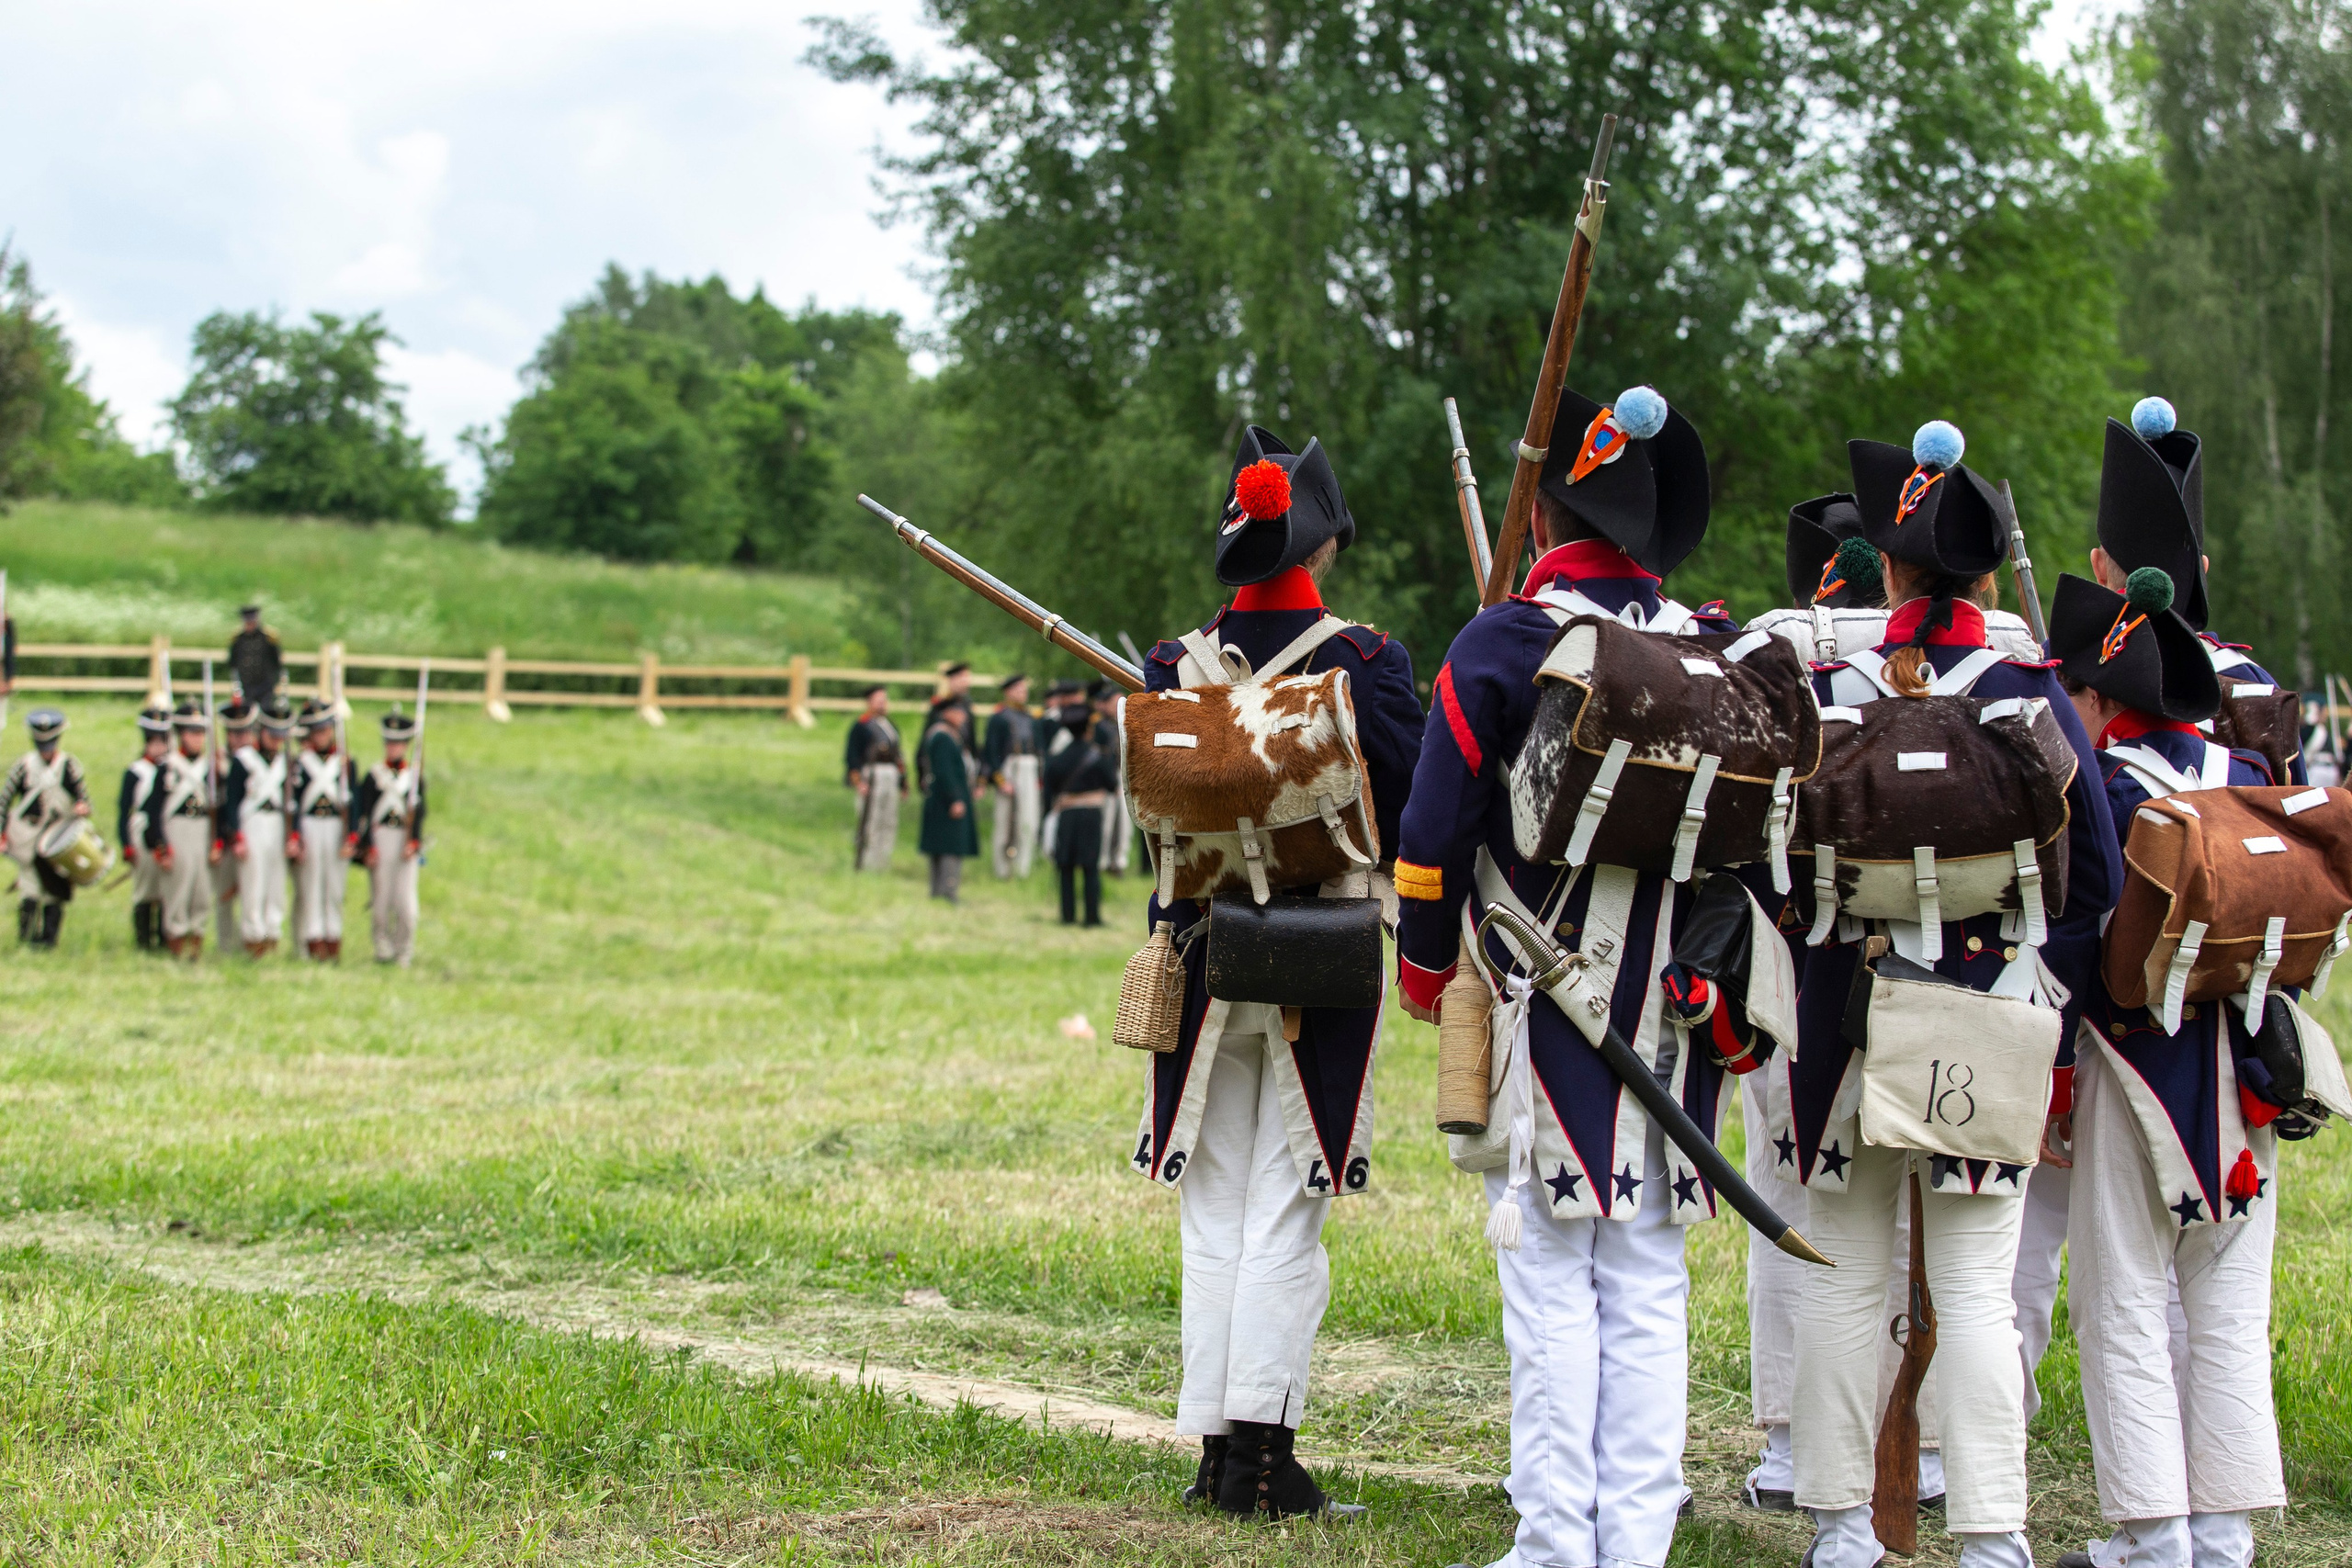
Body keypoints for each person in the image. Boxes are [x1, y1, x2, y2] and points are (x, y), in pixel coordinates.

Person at [1396, 387, 1778, 1568]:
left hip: (1541, 984)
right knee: (1649, 1277)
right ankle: (1635, 1543)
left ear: (1548, 513)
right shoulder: (1717, 649)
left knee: (1552, 1276)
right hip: (1676, 998)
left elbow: (1433, 827)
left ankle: (1558, 1544)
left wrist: (1424, 964)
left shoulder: (1505, 640)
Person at [1780, 423, 2120, 1568]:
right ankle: (1990, 1538)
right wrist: (2039, 1003)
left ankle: (1839, 1530)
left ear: (1888, 569)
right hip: (1989, 1013)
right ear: (1980, 583)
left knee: (1843, 1276)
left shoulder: (1826, 684)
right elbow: (2098, 882)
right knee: (1975, 1291)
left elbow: (1774, 866)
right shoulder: (2030, 688)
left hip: (1845, 1015)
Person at [1138, 423, 1423, 1519]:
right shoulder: (1369, 663)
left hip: (1200, 947)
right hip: (1326, 949)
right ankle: (1261, 1461)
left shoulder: (1170, 665)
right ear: (1325, 543)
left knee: (1214, 1208)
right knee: (1285, 1207)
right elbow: (1408, 807)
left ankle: (1218, 1452)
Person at [2042, 568, 2286, 1568]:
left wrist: (2054, 1072)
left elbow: (2074, 939)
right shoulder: (2246, 772)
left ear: (2106, 697)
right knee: (2228, 1306)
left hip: (2131, 1061)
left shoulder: (2103, 785)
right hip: (2242, 1064)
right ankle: (2223, 1536)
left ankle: (2151, 1537)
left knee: (2125, 1300)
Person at [1, 707, 93, 948]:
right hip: (28, 835)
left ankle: (49, 940)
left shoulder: (69, 766)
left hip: (57, 837)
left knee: (54, 889)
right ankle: (27, 938)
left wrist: (82, 808)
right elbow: (4, 800)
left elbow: (84, 799)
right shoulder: (23, 766)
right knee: (30, 886)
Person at [348, 705, 425, 964]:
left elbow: (420, 814)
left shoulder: (414, 777)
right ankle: (382, 945)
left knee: (406, 904)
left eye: (398, 743)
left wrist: (414, 841)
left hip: (404, 840)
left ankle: (404, 949)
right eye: (390, 743)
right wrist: (367, 846)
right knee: (381, 900)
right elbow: (365, 814)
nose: (393, 748)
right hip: (381, 839)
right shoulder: (373, 776)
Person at [220, 697, 294, 957]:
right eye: (272, 735)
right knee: (254, 882)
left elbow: (291, 802)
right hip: (252, 823)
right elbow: (232, 801)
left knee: (275, 881)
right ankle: (253, 935)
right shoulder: (244, 760)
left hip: (277, 823)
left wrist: (293, 835)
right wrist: (236, 836)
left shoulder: (286, 762)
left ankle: (272, 933)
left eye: (280, 737)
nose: (276, 741)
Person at [147, 699, 218, 960]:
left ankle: (195, 944)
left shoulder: (211, 768)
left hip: (202, 830)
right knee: (178, 890)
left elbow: (218, 809)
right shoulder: (167, 767)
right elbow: (153, 811)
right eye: (192, 733)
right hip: (177, 830)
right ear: (180, 735)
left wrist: (218, 842)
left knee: (201, 892)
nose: (197, 739)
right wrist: (161, 845)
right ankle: (176, 943)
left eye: (200, 733)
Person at [289, 700, 354, 961]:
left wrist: (352, 836)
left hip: (336, 826)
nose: (322, 736)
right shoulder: (301, 763)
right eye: (317, 731)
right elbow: (294, 803)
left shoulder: (344, 763)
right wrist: (296, 836)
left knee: (335, 887)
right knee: (312, 885)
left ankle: (333, 937)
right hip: (311, 825)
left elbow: (354, 804)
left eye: (325, 730)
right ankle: (313, 938)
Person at [1042, 699, 1114, 925]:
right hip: (1091, 815)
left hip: (1067, 815)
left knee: (1065, 866)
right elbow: (1112, 785)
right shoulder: (1098, 756)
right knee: (1090, 867)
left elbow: (1049, 790)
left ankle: (1067, 915)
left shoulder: (1057, 759)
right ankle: (1092, 917)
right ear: (1088, 729)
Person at [119, 705, 173, 952]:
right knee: (145, 888)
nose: (159, 748)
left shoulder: (171, 769)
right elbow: (125, 810)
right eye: (154, 743)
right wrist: (126, 843)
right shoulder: (135, 771)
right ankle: (143, 939)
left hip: (165, 827)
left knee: (165, 888)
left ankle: (163, 937)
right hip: (141, 829)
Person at [983, 673, 1042, 879]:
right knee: (1004, 822)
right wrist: (1000, 780)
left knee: (1028, 821)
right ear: (1008, 692)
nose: (1023, 693)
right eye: (1018, 689)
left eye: (1024, 689)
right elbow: (991, 751)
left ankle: (1022, 868)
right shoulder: (999, 718)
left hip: (1029, 768)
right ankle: (1002, 869)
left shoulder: (1031, 718)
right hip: (1010, 768)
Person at [919, 701, 978, 902]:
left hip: (943, 796)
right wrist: (956, 798)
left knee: (942, 844)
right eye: (959, 712)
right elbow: (945, 770)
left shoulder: (948, 735)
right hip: (947, 797)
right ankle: (947, 891)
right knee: (950, 844)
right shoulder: (943, 737)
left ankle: (939, 890)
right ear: (947, 713)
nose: (963, 717)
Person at [845, 685, 906, 873]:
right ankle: (867, 860)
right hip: (872, 773)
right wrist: (858, 781)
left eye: (884, 700)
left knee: (888, 820)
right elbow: (852, 757)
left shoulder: (890, 725)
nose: (882, 704)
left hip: (890, 774)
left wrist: (903, 782)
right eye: (878, 700)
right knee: (871, 819)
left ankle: (882, 860)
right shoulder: (861, 726)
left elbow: (898, 756)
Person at [229, 603, 282, 704]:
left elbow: (276, 661)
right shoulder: (238, 638)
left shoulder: (268, 637)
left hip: (265, 683)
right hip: (246, 683)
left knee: (267, 707)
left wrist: (276, 681)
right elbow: (232, 661)